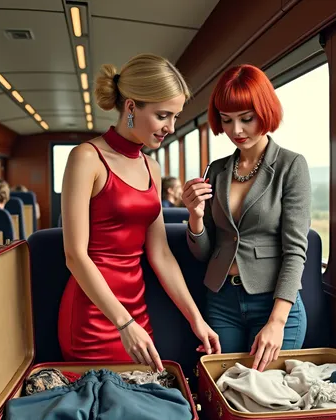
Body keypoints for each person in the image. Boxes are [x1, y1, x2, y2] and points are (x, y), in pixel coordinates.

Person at [58, 53, 220, 371]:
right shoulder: (86, 158)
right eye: (163, 115)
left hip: (135, 311)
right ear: (131, 107)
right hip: (94, 313)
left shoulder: (152, 167)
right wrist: (123, 324)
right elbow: (75, 256)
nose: (171, 127)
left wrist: (196, 319)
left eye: (175, 117)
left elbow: (159, 254)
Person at [183, 64, 311, 372]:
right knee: (224, 390)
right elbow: (204, 253)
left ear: (264, 112)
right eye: (227, 120)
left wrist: (277, 322)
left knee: (263, 397)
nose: (236, 130)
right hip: (222, 300)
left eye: (246, 118)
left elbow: (295, 251)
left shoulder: (291, 166)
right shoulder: (216, 169)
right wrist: (196, 217)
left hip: (274, 304)